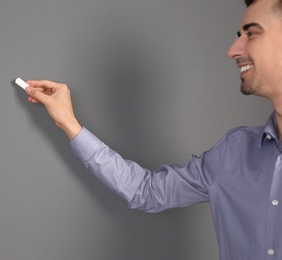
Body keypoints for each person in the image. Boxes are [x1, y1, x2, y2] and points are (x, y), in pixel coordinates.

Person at [22, 0, 282, 259]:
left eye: (251, 33)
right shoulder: (233, 153)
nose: (233, 50)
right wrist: (69, 124)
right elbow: (145, 191)